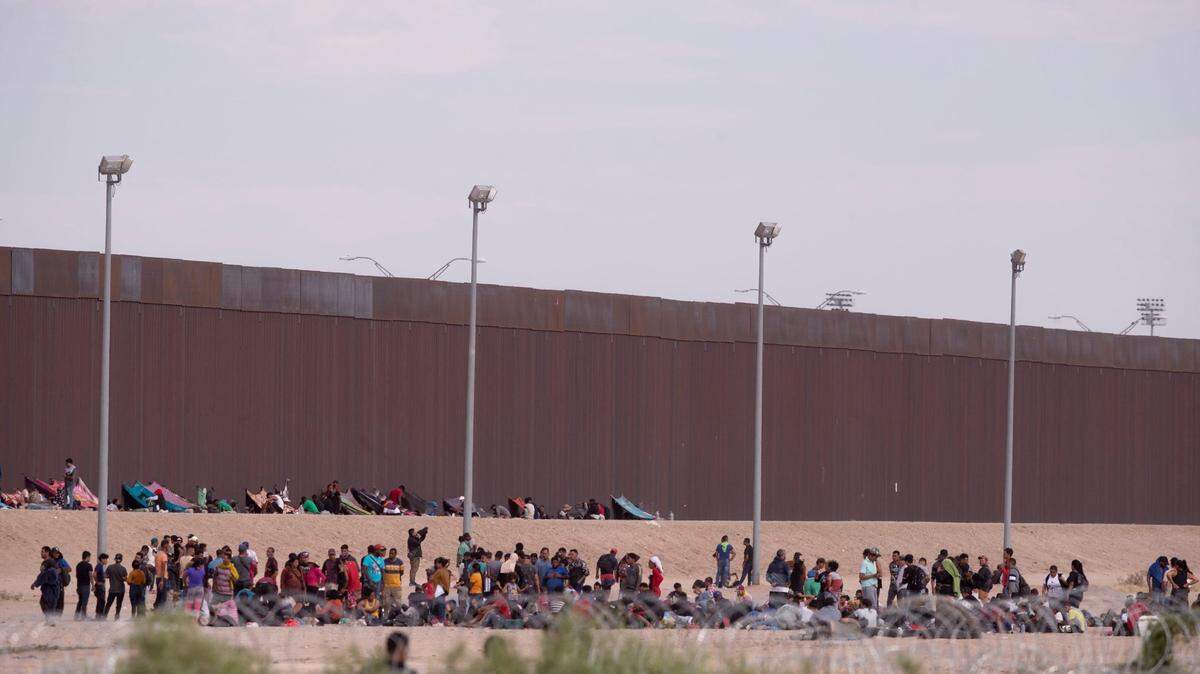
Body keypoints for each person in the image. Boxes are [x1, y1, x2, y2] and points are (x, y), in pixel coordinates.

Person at [32, 559, 61, 624]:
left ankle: (50, 619)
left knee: (45, 604)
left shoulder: (48, 572)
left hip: (50, 592)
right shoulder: (53, 571)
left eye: (42, 566)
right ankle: (50, 619)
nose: (41, 567)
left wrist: (34, 584)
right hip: (54, 591)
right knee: (50, 606)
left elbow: (40, 580)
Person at [104, 553, 128, 620]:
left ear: (115, 559)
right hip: (121, 589)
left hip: (112, 589)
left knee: (108, 604)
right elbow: (126, 579)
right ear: (121, 560)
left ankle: (104, 616)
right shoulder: (123, 569)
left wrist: (110, 576)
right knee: (119, 604)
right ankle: (117, 616)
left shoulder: (110, 567)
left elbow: (105, 576)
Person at [74, 551, 93, 620]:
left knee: (80, 601)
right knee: (84, 602)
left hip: (79, 585)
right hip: (86, 585)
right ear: (87, 557)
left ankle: (76, 615)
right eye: (89, 557)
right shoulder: (89, 565)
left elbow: (76, 575)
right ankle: (83, 616)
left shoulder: (78, 565)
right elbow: (90, 576)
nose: (90, 558)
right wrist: (93, 585)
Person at [93, 553, 109, 619]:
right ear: (102, 559)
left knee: (101, 601)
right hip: (100, 586)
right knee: (101, 601)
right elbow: (94, 574)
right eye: (105, 559)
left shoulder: (101, 566)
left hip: (100, 586)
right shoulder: (99, 566)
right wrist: (97, 582)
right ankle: (99, 616)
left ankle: (99, 615)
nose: (106, 561)